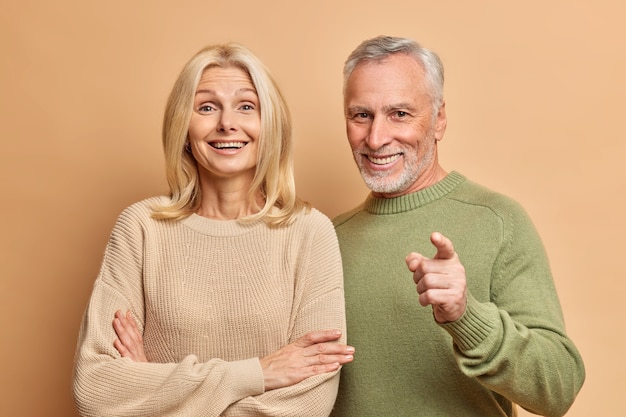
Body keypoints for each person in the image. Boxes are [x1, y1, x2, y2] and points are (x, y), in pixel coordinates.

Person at [72, 42, 354, 417]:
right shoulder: (141, 228)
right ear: (182, 127)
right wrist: (258, 373)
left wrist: (155, 391)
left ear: (270, 124)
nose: (226, 123)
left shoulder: (310, 233)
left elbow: (310, 402)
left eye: (246, 106)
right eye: (206, 107)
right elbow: (95, 388)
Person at [329, 35, 585, 417]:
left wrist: (466, 316)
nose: (376, 138)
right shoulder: (324, 238)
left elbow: (558, 389)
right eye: (361, 115)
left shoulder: (498, 221)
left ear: (439, 120)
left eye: (399, 114)